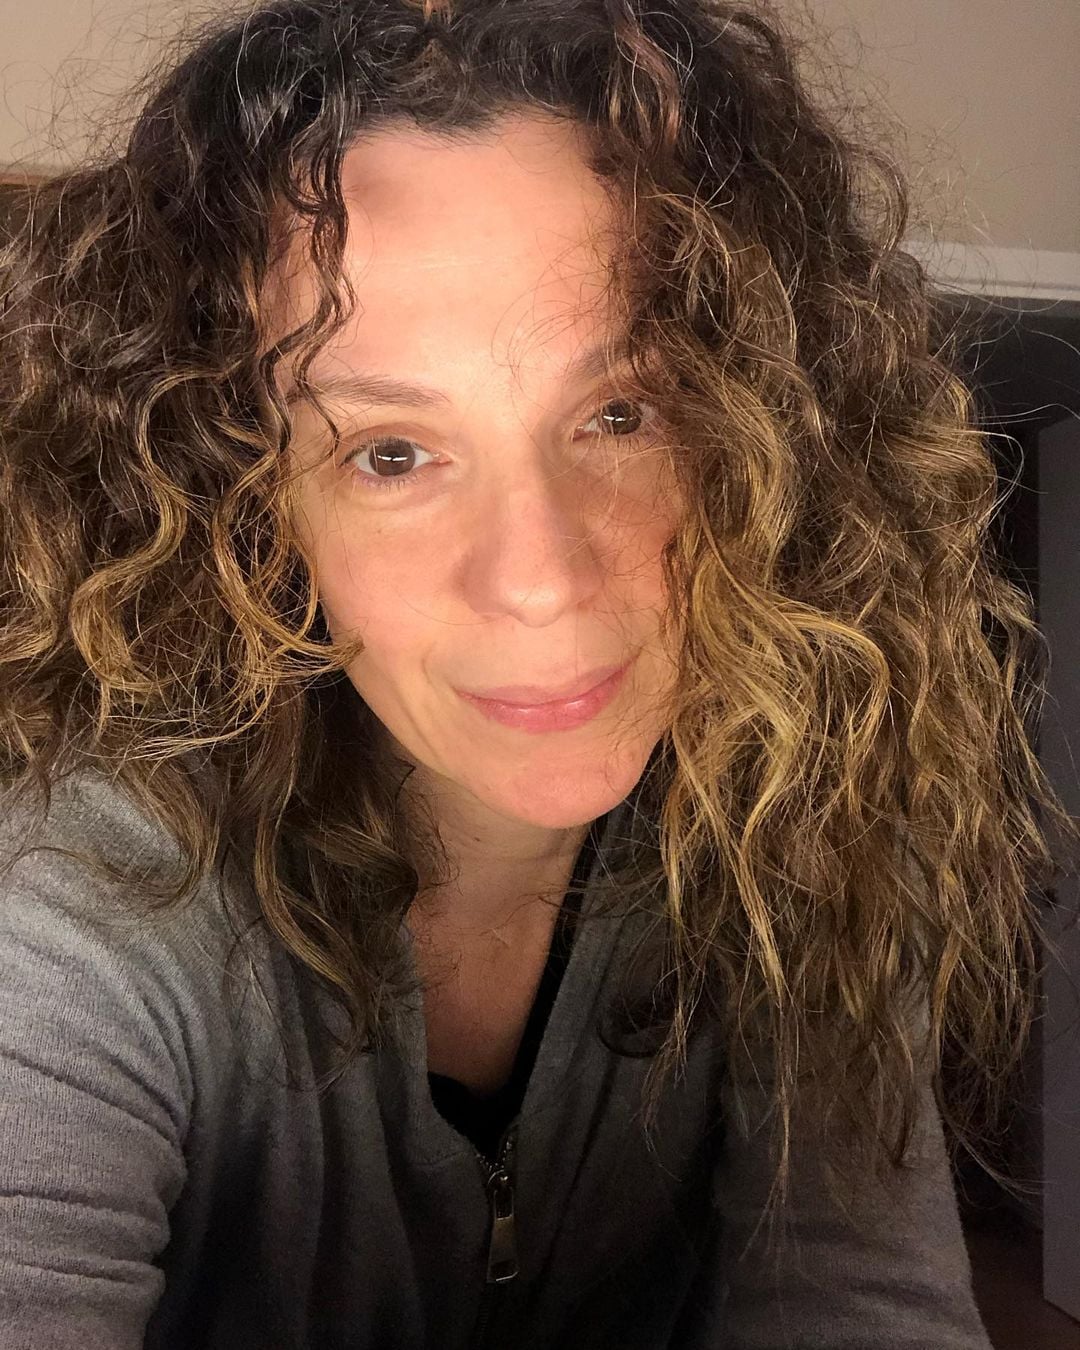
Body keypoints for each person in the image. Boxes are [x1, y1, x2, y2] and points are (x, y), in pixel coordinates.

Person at [0, 1, 1073, 1346]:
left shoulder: (809, 800)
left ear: (762, 436)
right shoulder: (79, 910)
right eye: (391, 453)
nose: (542, 577)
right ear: (250, 510)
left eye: (621, 413)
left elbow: (855, 1298)